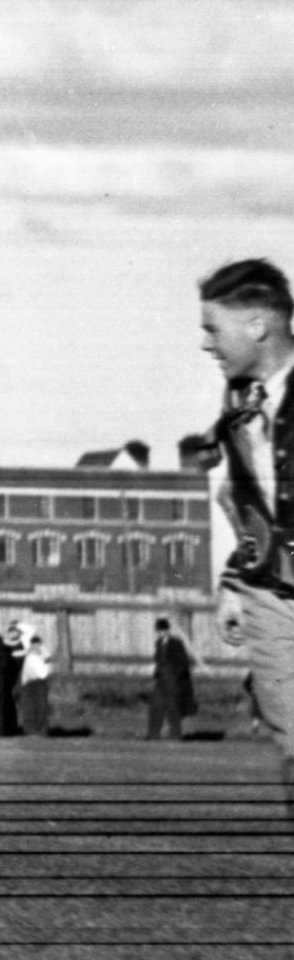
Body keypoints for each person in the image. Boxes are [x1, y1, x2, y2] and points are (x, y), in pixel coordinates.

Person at [193, 257, 294, 822]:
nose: (207, 344)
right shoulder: (237, 407)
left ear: (257, 324)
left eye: (213, 328)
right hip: (272, 595)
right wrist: (233, 581)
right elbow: (249, 506)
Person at [148, 618, 197, 740]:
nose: (160, 633)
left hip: (173, 680)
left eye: (163, 630)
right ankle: (153, 734)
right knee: (156, 706)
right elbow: (158, 661)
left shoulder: (176, 643)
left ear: (167, 630)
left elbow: (183, 662)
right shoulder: (158, 643)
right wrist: (156, 676)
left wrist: (175, 676)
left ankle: (176, 735)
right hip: (161, 680)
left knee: (173, 708)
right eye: (159, 631)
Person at [15, 626, 54, 736]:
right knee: (29, 709)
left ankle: (41, 731)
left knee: (41, 708)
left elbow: (44, 673)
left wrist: (46, 663)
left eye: (37, 644)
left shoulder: (43, 653)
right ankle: (30, 731)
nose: (35, 646)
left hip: (40, 684)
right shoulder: (28, 653)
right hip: (28, 684)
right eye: (33, 644)